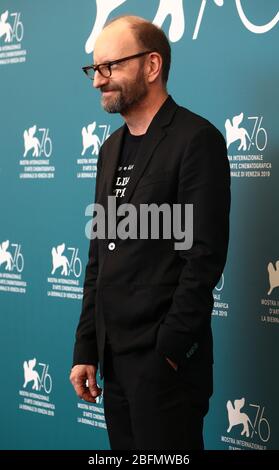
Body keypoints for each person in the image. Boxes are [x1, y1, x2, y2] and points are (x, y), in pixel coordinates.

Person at [70, 15, 230, 450]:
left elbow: (203, 260)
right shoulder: (108, 150)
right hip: (113, 364)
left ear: (152, 65)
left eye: (110, 67)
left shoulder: (196, 140)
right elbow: (99, 256)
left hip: (166, 369)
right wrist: (86, 348)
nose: (97, 81)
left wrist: (168, 353)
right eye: (95, 69)